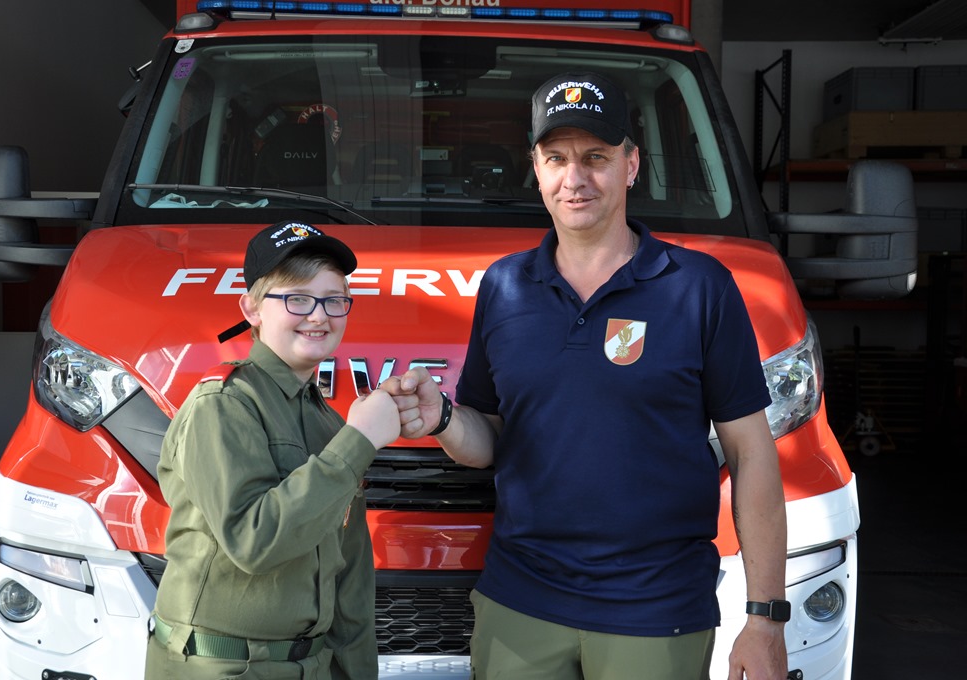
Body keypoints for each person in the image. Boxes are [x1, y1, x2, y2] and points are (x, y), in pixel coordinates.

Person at [382, 72, 789, 680]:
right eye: (556, 159)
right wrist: (441, 417)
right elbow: (489, 438)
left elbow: (751, 452)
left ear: (631, 165)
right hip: (520, 603)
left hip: (655, 610)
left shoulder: (699, 287)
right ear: (536, 169)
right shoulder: (505, 286)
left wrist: (765, 620)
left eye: (595, 157)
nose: (574, 179)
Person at [146, 221, 399, 680]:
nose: (319, 316)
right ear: (252, 309)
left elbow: (349, 575)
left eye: (334, 300)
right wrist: (359, 441)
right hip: (223, 666)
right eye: (297, 299)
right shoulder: (223, 404)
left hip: (312, 664)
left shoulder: (329, 422)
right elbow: (253, 541)